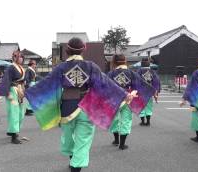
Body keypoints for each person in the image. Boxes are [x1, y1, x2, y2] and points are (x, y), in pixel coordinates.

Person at [25, 38, 135, 172]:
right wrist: (124, 94)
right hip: (86, 107)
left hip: (67, 108)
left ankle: (73, 160)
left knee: (68, 138)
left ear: (67, 51)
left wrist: (27, 92)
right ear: (84, 49)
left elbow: (46, 84)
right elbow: (105, 83)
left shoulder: (61, 67)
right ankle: (76, 166)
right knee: (83, 140)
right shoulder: (90, 66)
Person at [107, 54, 155, 150]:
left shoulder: (111, 73)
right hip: (128, 99)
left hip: (114, 100)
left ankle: (116, 140)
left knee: (114, 120)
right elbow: (140, 85)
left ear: (114, 62)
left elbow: (106, 87)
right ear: (125, 61)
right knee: (126, 120)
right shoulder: (131, 73)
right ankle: (122, 144)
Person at [0, 50, 26, 144]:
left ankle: (12, 130)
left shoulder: (21, 67)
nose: (21, 58)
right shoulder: (11, 67)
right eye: (19, 57)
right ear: (15, 57)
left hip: (20, 90)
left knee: (21, 112)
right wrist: (7, 92)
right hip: (12, 91)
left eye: (22, 57)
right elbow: (6, 80)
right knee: (14, 112)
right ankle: (14, 135)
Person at [137, 57, 161, 126]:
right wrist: (156, 91)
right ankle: (148, 121)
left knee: (141, 106)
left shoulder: (139, 71)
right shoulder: (153, 72)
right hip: (150, 92)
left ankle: (142, 121)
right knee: (149, 107)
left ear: (142, 63)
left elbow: (136, 81)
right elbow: (156, 81)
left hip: (141, 92)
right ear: (148, 63)